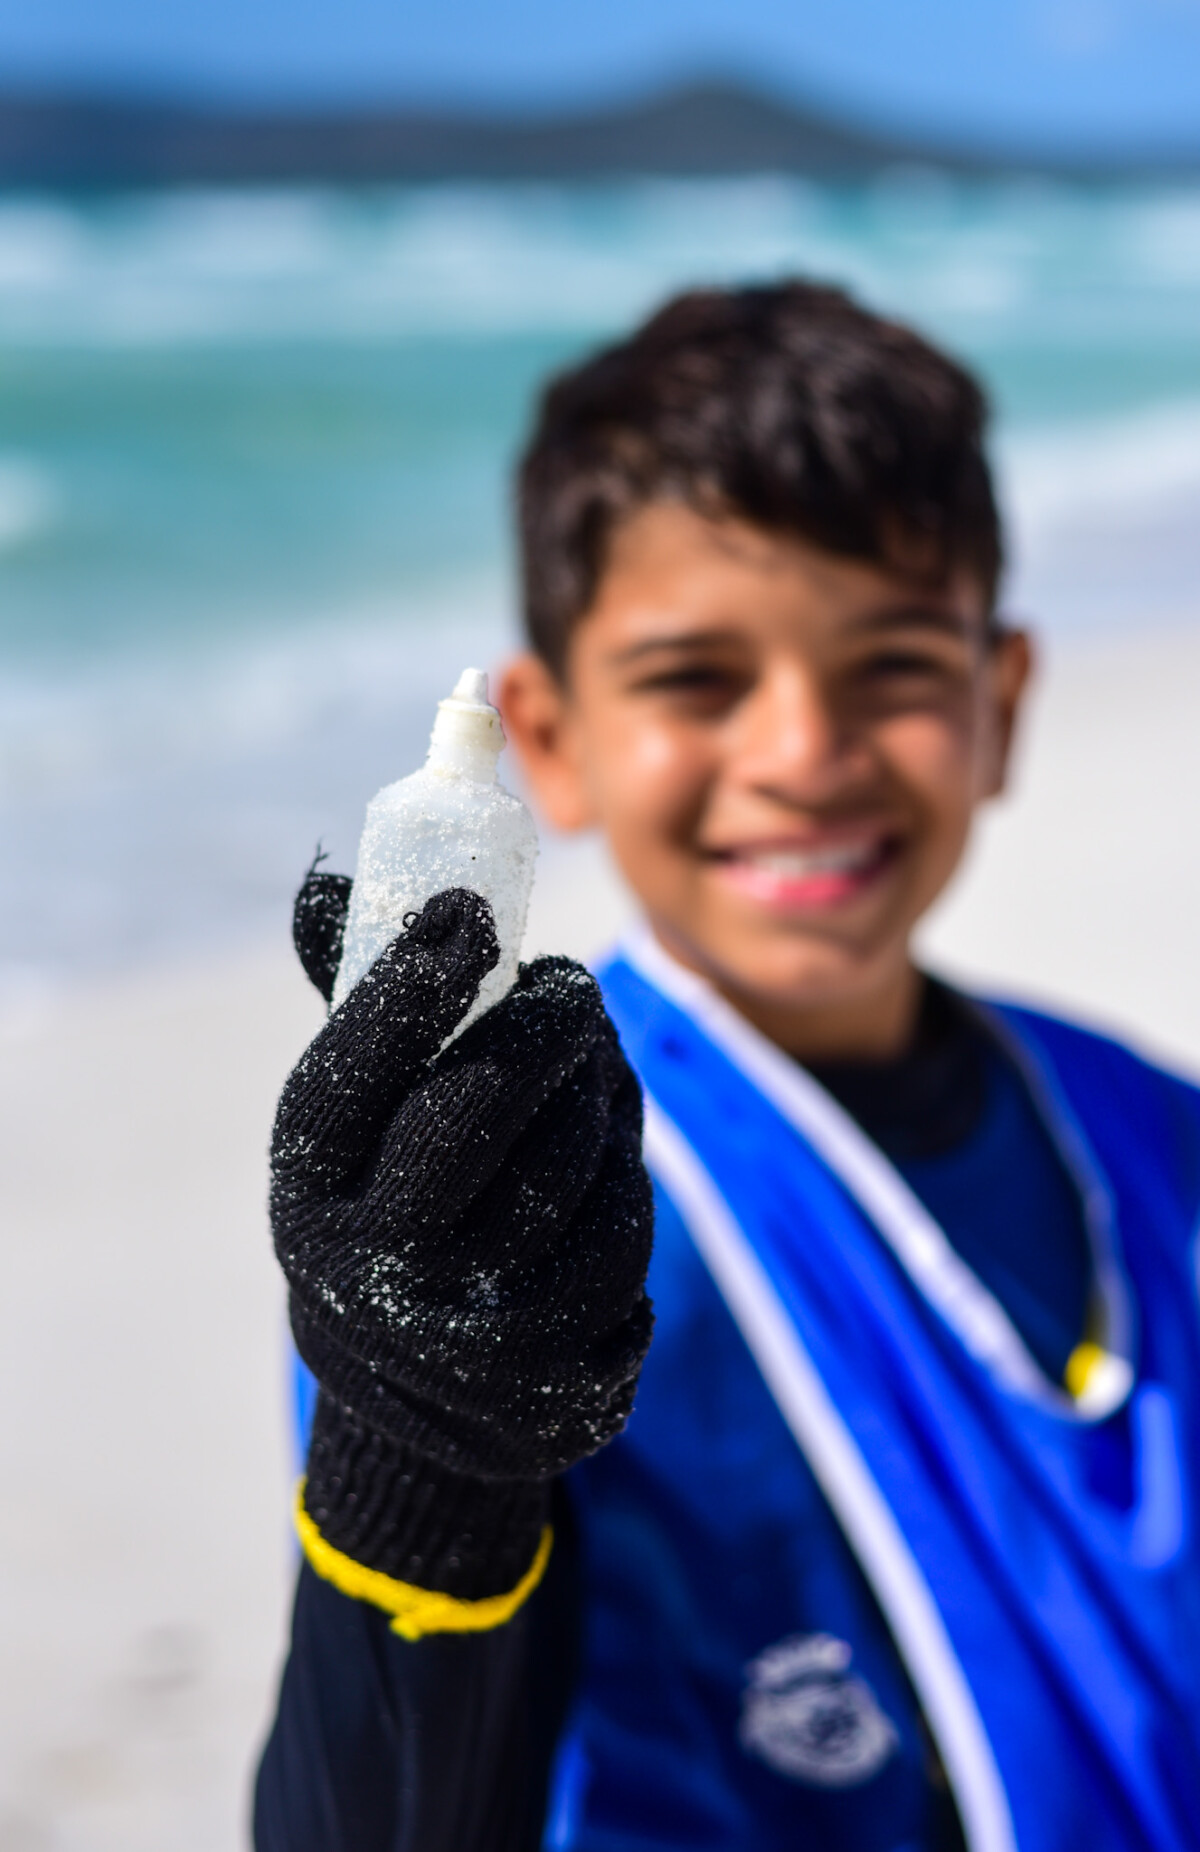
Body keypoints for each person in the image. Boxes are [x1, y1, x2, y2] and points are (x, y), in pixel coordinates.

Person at [255, 283, 1200, 1852]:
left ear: (1002, 701)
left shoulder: (1159, 1140)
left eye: (894, 664)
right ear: (548, 738)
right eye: (697, 680)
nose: (803, 752)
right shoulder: (509, 1212)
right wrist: (415, 1463)